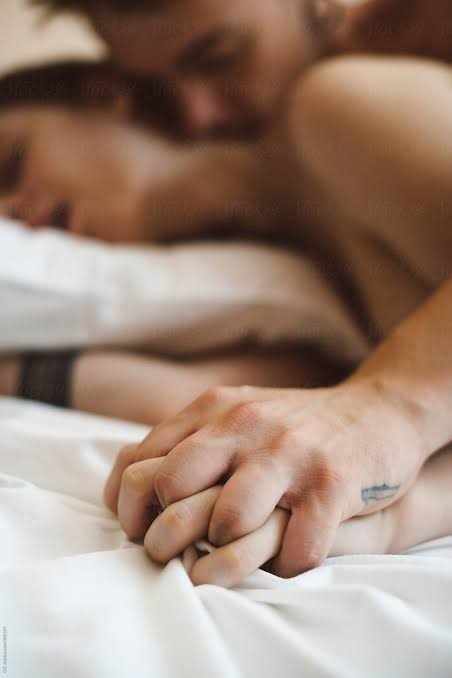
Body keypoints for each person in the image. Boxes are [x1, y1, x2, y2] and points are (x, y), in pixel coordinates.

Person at [3, 0, 452, 585]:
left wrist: (383, 406)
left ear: (104, 95)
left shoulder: (339, 103)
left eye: (9, 166)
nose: (196, 114)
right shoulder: (288, 253)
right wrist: (394, 516)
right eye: (159, 86)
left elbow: (374, 414)